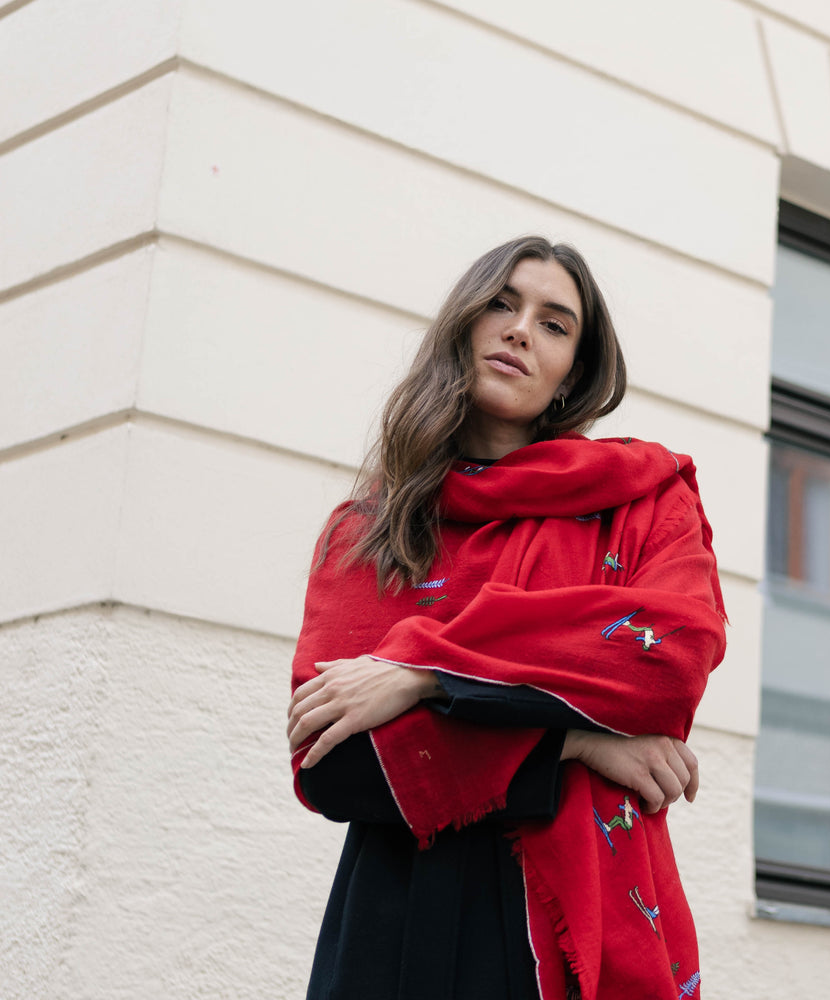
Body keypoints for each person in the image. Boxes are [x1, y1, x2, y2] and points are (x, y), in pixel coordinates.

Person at [286, 236, 727, 1000]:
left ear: (572, 375)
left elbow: (669, 655)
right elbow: (334, 765)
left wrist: (422, 672)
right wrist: (576, 741)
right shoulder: (370, 531)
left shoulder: (642, 500)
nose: (521, 330)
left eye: (554, 324)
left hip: (581, 926)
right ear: (463, 325)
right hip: (402, 932)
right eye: (501, 304)